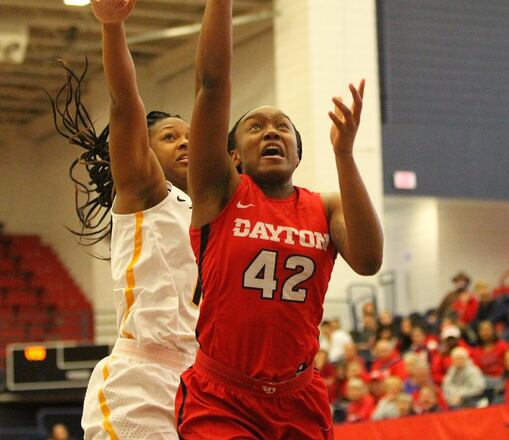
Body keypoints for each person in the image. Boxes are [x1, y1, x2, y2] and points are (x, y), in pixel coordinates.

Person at [174, 1, 383, 438]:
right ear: (232, 156)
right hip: (223, 396)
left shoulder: (325, 208)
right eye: (255, 127)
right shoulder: (219, 193)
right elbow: (212, 85)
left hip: (299, 395)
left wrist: (344, 153)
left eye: (282, 127)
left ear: (298, 152)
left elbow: (368, 261)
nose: (270, 131)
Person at [48, 1, 198, 438]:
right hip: (142, 379)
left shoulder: (215, 214)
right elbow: (124, 104)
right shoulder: (147, 193)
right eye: (170, 137)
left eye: (191, 136)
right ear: (143, 152)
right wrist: (113, 28)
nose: (186, 143)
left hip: (203, 384)